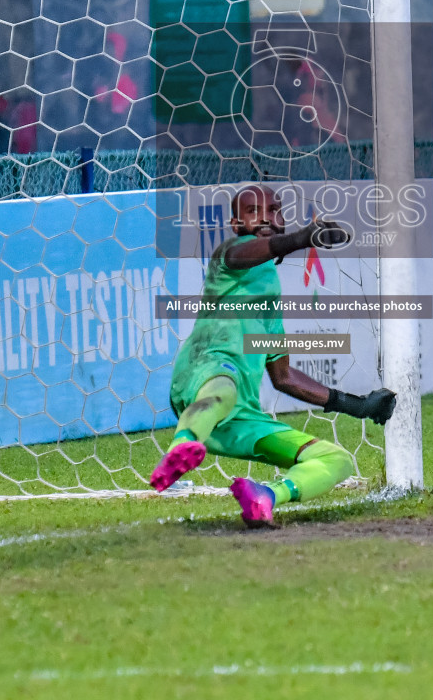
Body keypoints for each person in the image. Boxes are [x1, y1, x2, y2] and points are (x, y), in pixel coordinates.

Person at [150, 184, 396, 527]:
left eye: (274, 210)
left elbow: (283, 377)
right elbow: (251, 253)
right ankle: (182, 447)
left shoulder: (269, 304)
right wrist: (301, 239)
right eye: (253, 211)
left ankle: (265, 496)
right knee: (225, 387)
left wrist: (358, 406)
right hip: (203, 376)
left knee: (336, 460)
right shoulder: (228, 256)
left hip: (242, 416)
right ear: (236, 224)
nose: (266, 217)